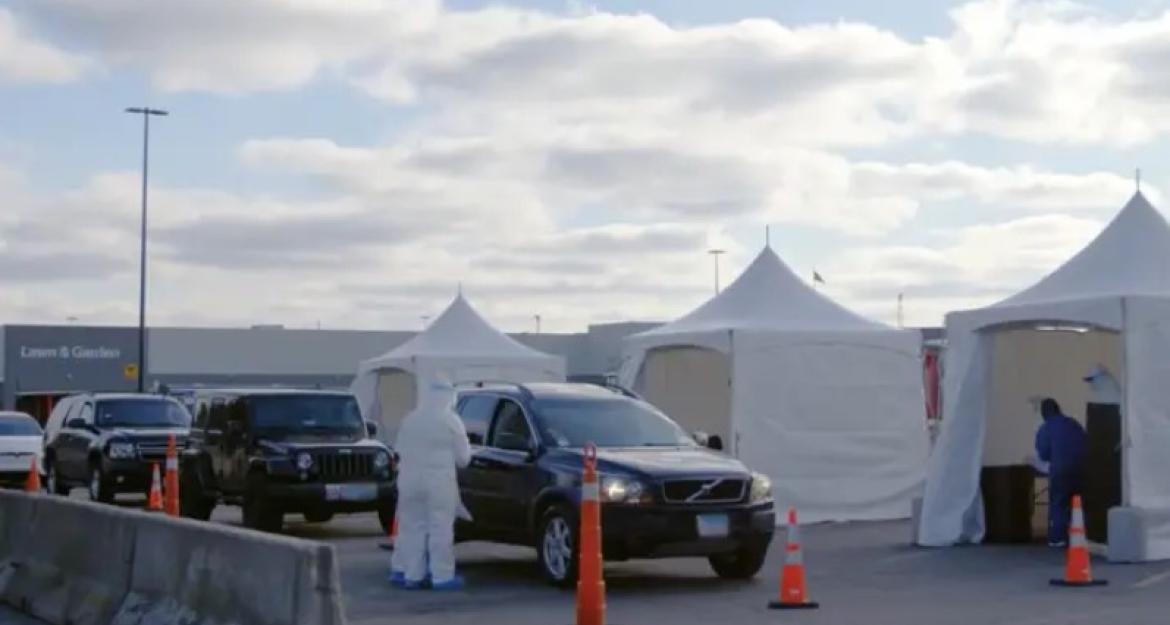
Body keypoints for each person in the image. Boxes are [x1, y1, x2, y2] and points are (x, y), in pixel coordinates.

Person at [390, 376, 473, 590]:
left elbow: (398, 451)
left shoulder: (410, 419)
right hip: (438, 482)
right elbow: (464, 459)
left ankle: (412, 575)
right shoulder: (451, 420)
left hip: (408, 481)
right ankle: (442, 576)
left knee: (411, 528)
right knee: (440, 528)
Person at [1034, 398, 1087, 547]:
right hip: (1081, 469)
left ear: (1044, 414)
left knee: (1058, 503)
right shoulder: (1074, 424)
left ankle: (1058, 538)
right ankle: (1080, 535)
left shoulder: (1045, 428)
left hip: (1060, 471)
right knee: (1079, 504)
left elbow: (1043, 454)